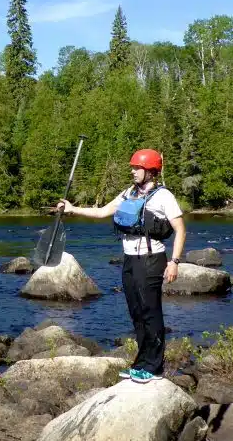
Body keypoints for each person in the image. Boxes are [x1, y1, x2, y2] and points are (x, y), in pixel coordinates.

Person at [57, 148, 186, 384]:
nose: (133, 171)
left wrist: (174, 262)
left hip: (151, 259)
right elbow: (103, 212)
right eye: (133, 167)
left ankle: (154, 368)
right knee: (136, 312)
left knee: (150, 312)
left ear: (150, 171)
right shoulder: (128, 193)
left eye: (138, 168)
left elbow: (180, 230)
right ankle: (142, 363)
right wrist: (72, 209)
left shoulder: (164, 196)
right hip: (129, 260)